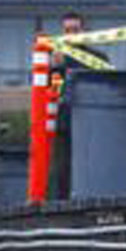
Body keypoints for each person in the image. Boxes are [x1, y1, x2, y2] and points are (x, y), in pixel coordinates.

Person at [47, 11, 111, 199]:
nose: (71, 34)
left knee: (93, 164)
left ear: (84, 30)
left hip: (92, 120)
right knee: (64, 167)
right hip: (66, 120)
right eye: (67, 30)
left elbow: (105, 87)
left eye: (75, 29)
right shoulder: (56, 57)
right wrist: (56, 69)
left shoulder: (98, 57)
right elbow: (54, 91)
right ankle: (63, 204)